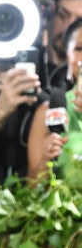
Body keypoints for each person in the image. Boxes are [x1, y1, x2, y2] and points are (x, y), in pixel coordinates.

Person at [27, 17, 82, 180]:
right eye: (79, 48)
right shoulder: (50, 109)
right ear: (68, 55)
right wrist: (45, 160)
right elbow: (32, 189)